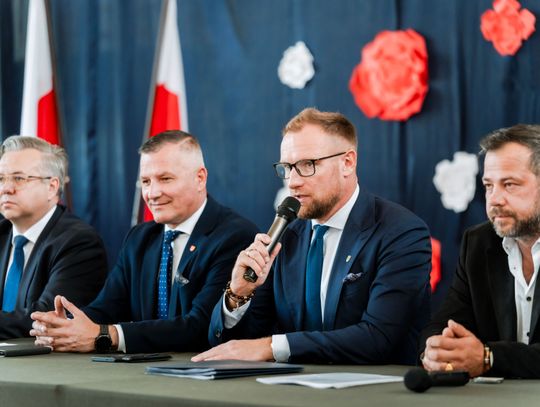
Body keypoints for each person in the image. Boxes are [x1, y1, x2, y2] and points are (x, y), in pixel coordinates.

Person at [193, 108, 432, 364]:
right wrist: (238, 295)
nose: (292, 182)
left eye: (308, 165)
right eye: (287, 168)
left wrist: (273, 347)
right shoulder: (285, 236)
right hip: (293, 385)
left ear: (347, 163)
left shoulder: (401, 232)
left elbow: (378, 338)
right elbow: (240, 345)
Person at [30, 130, 258, 353]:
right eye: (146, 182)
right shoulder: (139, 238)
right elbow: (107, 308)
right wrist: (65, 326)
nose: (153, 193)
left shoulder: (235, 236)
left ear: (200, 178)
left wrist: (108, 336)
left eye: (165, 179)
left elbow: (201, 326)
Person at [421, 124, 540, 379]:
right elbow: (443, 325)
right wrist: (437, 351)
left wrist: (489, 358)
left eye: (509, 184)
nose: (494, 199)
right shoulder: (478, 242)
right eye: (488, 186)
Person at [0, 136, 107, 340]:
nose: (6, 188)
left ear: (52, 186)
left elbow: (48, 318)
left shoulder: (79, 242)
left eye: (19, 178)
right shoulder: (2, 233)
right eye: (1, 179)